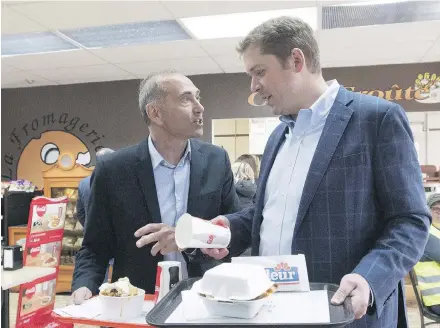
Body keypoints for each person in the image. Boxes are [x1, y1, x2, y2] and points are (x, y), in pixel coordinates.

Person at [202, 16, 431, 328]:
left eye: (259, 72)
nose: (253, 87)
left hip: (344, 313)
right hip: (272, 310)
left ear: (297, 60)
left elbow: (410, 221)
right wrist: (229, 227)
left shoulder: (377, 120)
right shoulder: (277, 138)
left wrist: (369, 277)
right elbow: (271, 211)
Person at [72, 71, 241, 304]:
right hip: (137, 304)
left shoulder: (216, 160)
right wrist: (84, 286)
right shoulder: (114, 169)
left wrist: (188, 237)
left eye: (198, 97)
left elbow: (232, 228)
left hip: (206, 299)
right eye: (186, 98)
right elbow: (94, 247)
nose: (199, 107)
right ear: (155, 112)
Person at [414, 193, 440, 315]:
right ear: (428, 211)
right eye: (436, 209)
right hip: (436, 300)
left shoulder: (437, 231)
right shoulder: (428, 235)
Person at [76, 147, 115, 228]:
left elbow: (80, 213)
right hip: (112, 233)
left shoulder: (83, 183)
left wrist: (88, 227)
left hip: (91, 233)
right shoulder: (117, 181)